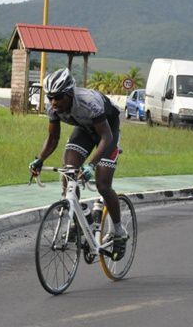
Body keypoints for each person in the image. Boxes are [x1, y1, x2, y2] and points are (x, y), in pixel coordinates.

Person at [28, 68, 128, 260]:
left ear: (70, 93)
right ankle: (81, 215)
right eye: (50, 97)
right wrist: (40, 159)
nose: (53, 102)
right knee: (69, 172)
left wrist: (91, 165)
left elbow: (105, 136)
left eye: (57, 97)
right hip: (84, 130)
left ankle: (119, 231)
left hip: (107, 132)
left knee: (103, 184)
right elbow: (53, 138)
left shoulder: (89, 103)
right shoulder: (53, 108)